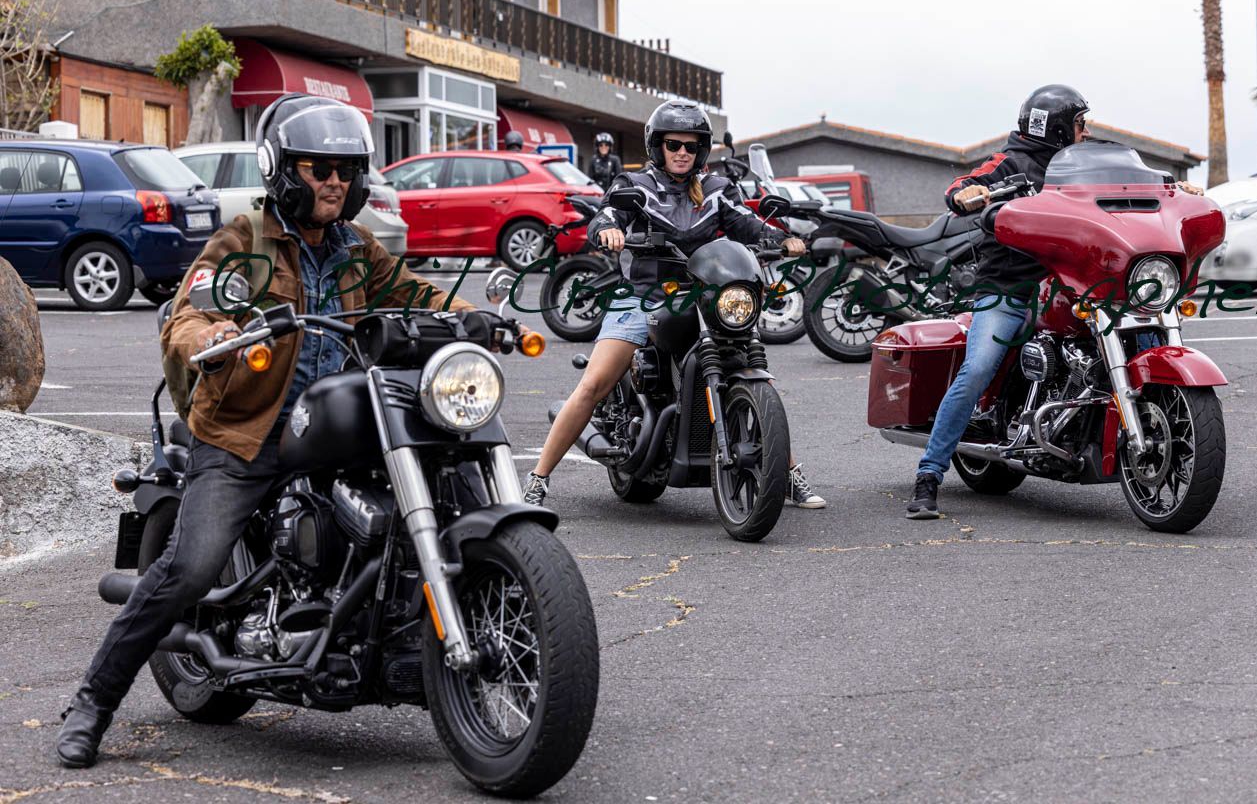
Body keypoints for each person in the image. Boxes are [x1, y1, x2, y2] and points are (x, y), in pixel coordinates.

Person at [55, 95, 477, 769]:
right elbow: (189, 313)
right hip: (246, 434)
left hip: (338, 429)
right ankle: (91, 704)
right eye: (318, 168)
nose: (334, 181)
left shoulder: (355, 250)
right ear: (284, 170)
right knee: (189, 568)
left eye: (345, 168)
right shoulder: (243, 241)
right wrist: (214, 332)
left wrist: (474, 318)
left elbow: (414, 294)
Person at [524, 100, 825, 510]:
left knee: (754, 370)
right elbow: (607, 214)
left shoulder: (717, 189)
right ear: (657, 146)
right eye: (673, 144)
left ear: (701, 149)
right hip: (642, 294)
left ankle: (787, 474)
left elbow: (746, 222)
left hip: (704, 292)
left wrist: (780, 237)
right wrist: (609, 229)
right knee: (594, 384)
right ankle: (538, 479)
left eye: (690, 144)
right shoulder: (635, 187)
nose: (681, 152)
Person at [906, 84, 1090, 520]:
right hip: (1010, 290)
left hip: (1071, 286)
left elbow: (1126, 177)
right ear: (1059, 128)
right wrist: (966, 194)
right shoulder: (1011, 163)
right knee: (978, 368)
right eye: (1079, 124)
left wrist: (1169, 184)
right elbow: (964, 184)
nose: (1085, 133)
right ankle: (929, 476)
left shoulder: (1083, 166)